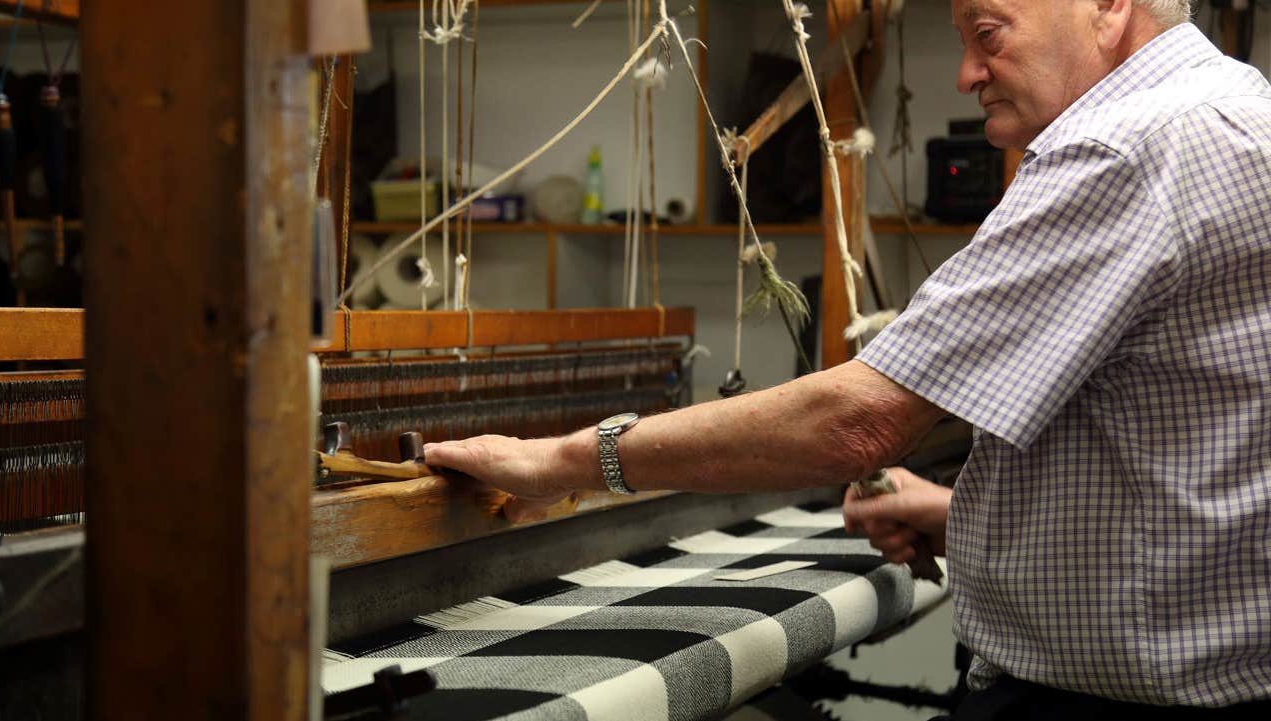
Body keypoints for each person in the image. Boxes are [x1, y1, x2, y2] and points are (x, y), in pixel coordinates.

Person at [426, 0, 1271, 715]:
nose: (966, 74)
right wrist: (966, 514)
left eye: (988, 34)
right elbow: (1200, 450)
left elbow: (858, 421)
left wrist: (564, 462)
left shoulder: (1121, 147)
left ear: (1110, 5)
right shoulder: (1238, 105)